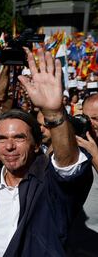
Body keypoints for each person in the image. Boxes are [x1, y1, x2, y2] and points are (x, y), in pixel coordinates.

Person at [0, 48, 93, 256]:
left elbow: (68, 166)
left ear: (35, 144)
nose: (9, 146)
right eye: (2, 139)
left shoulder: (49, 186)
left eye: (19, 138)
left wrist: (54, 113)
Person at [66, 93, 98, 256]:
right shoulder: (78, 141)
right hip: (70, 237)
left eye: (96, 119)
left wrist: (95, 154)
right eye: (86, 118)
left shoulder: (92, 149)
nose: (90, 124)